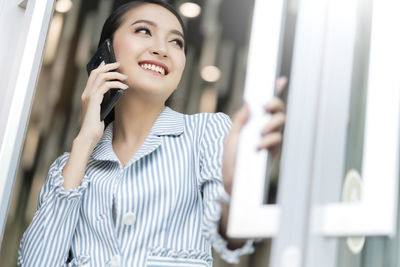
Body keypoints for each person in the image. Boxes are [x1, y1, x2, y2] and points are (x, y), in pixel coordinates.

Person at [17, 0, 286, 266]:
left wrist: (235, 189)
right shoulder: (70, 168)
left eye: (176, 42)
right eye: (144, 31)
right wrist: (84, 140)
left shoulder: (206, 133)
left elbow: (230, 239)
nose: (161, 49)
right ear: (106, 52)